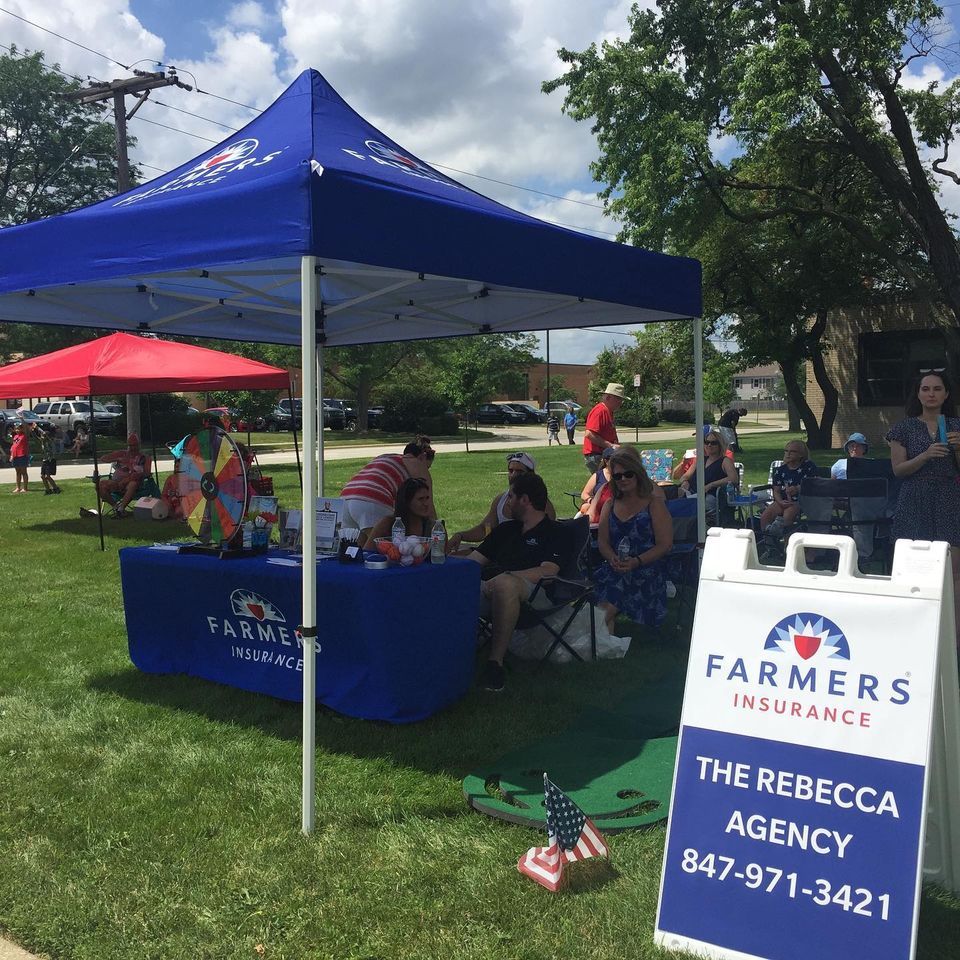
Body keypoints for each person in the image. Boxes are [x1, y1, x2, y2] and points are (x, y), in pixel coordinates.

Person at [467, 471, 564, 692]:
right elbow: (473, 562)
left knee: (505, 584)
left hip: (535, 595)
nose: (506, 501)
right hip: (489, 589)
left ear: (525, 500)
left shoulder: (555, 532)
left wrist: (506, 578)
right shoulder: (505, 530)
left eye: (511, 497)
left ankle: (495, 665)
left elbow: (548, 571)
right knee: (450, 583)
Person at [886, 371, 960, 634]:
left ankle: (952, 637)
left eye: (937, 389)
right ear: (918, 393)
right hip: (914, 499)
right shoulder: (903, 428)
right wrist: (926, 455)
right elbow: (899, 470)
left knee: (953, 571)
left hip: (949, 499)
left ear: (946, 394)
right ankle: (912, 630)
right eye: (925, 389)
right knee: (914, 569)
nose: (931, 394)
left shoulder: (956, 425)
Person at [594, 446, 673, 631]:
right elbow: (603, 542)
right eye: (617, 476)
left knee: (610, 600)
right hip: (616, 566)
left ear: (637, 474)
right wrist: (611, 557)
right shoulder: (610, 504)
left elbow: (665, 544)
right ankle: (600, 641)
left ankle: (593, 636)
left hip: (646, 568)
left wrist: (636, 562)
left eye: (627, 474)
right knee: (610, 590)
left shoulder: (654, 504)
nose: (623, 479)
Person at [448, 452, 556, 552]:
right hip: (495, 553)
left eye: (519, 471)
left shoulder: (542, 504)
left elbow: (546, 538)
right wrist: (460, 535)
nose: (513, 475)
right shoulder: (500, 500)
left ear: (531, 474)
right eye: (510, 470)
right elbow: (485, 529)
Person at [341, 435, 435, 542]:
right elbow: (428, 504)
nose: (426, 470)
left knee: (356, 548)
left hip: (346, 497)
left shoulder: (387, 457)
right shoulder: (417, 464)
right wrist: (437, 529)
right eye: (427, 467)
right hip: (372, 500)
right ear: (422, 457)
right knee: (383, 546)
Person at [678, 429, 738, 523]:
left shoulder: (725, 461)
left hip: (711, 495)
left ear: (720, 445)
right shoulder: (700, 460)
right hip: (692, 493)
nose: (709, 445)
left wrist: (711, 485)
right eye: (707, 442)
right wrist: (685, 482)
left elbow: (734, 479)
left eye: (713, 443)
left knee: (702, 504)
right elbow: (684, 477)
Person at [759, 439, 818, 534]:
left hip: (802, 500)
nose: (788, 454)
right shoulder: (781, 470)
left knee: (788, 514)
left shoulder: (808, 466)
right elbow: (776, 490)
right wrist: (780, 501)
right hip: (783, 500)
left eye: (792, 452)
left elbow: (813, 484)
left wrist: (797, 488)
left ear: (801, 455)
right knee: (765, 516)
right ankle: (768, 542)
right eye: (786, 451)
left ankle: (787, 540)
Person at [367, 477, 437, 542]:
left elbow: (443, 553)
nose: (426, 504)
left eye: (427, 498)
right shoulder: (387, 523)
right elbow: (367, 552)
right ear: (407, 501)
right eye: (420, 499)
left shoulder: (432, 527)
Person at [98, 433, 148, 517]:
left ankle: (121, 509)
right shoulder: (122, 453)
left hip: (130, 483)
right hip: (116, 482)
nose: (132, 448)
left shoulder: (141, 458)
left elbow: (138, 474)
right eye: (130, 446)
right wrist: (117, 459)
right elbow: (103, 458)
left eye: (134, 445)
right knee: (100, 485)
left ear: (138, 445)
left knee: (133, 484)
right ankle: (116, 507)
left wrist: (125, 481)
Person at [582, 383, 624, 471]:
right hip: (596, 456)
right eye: (618, 399)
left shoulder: (609, 411)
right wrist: (611, 445)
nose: (621, 402)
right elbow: (589, 434)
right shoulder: (600, 411)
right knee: (605, 481)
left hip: (604, 454)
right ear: (608, 397)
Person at [577, 446, 615, 523]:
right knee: (585, 507)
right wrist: (591, 501)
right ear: (606, 461)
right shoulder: (598, 475)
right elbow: (584, 494)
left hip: (614, 507)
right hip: (598, 506)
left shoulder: (621, 475)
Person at [38, 425, 62, 495]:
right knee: (42, 476)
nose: (41, 437)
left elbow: (48, 437)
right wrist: (33, 430)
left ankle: (56, 488)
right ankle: (48, 490)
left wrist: (39, 429)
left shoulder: (50, 442)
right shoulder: (43, 443)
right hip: (45, 460)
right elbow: (36, 437)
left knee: (47, 476)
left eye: (43, 436)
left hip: (50, 460)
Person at [9, 421, 32, 493]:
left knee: (23, 472)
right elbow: (13, 447)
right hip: (15, 456)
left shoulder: (24, 436)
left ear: (22, 429)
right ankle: (18, 487)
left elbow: (26, 428)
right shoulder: (15, 436)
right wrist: (12, 455)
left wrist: (21, 419)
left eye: (18, 429)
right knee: (17, 472)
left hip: (22, 455)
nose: (17, 430)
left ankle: (25, 488)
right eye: (16, 429)